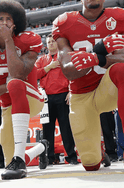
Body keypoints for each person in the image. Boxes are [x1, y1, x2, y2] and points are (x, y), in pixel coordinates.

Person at [52, 0, 124, 174]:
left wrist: (95, 58)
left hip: (108, 87)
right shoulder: (65, 22)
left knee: (123, 69)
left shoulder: (120, 17)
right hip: (81, 95)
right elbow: (69, 70)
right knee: (90, 164)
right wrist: (99, 50)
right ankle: (99, 151)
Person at [0, 0, 49, 180]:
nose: (5, 22)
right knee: (11, 160)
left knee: (15, 83)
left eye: (9, 19)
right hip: (7, 105)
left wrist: (8, 40)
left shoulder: (28, 40)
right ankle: (40, 148)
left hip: (31, 97)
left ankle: (21, 159)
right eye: (0, 19)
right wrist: (4, 88)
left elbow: (17, 73)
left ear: (15, 24)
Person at [35, 34, 78, 165]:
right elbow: (34, 74)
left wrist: (71, 91)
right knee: (47, 129)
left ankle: (71, 156)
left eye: (53, 41)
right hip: (46, 99)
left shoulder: (64, 57)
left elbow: (73, 74)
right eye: (49, 42)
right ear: (46, 45)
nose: (52, 43)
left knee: (66, 128)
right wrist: (49, 67)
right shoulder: (41, 60)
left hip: (62, 95)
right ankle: (49, 158)